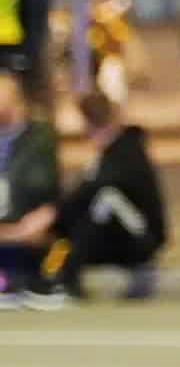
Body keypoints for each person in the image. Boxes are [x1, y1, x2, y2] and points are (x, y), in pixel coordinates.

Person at [42, 85, 166, 300]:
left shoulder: (128, 151)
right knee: (79, 211)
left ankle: (64, 275)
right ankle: (51, 271)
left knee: (105, 199)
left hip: (141, 239)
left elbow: (97, 189)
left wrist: (54, 215)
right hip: (116, 236)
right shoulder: (105, 157)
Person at [0, 78, 62, 306]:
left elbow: (50, 190)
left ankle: (36, 281)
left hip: (27, 223)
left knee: (40, 233)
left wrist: (41, 217)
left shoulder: (40, 137)